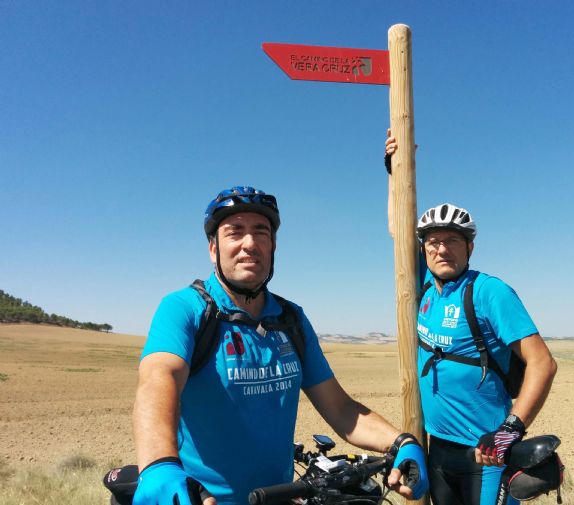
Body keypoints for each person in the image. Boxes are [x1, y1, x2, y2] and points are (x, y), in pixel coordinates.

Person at [132, 185, 429, 505]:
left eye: (261, 232)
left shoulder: (291, 320)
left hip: (280, 497)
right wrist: (159, 465)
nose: (249, 244)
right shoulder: (185, 309)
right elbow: (157, 380)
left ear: (273, 245)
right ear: (213, 249)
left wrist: (401, 442)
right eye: (235, 232)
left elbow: (342, 410)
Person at [385, 136, 557, 505]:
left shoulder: (489, 292)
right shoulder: (424, 286)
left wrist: (510, 432)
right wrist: (395, 171)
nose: (441, 248)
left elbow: (543, 362)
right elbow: (399, 231)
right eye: (433, 241)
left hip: (487, 453)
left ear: (470, 247)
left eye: (452, 240)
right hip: (437, 450)